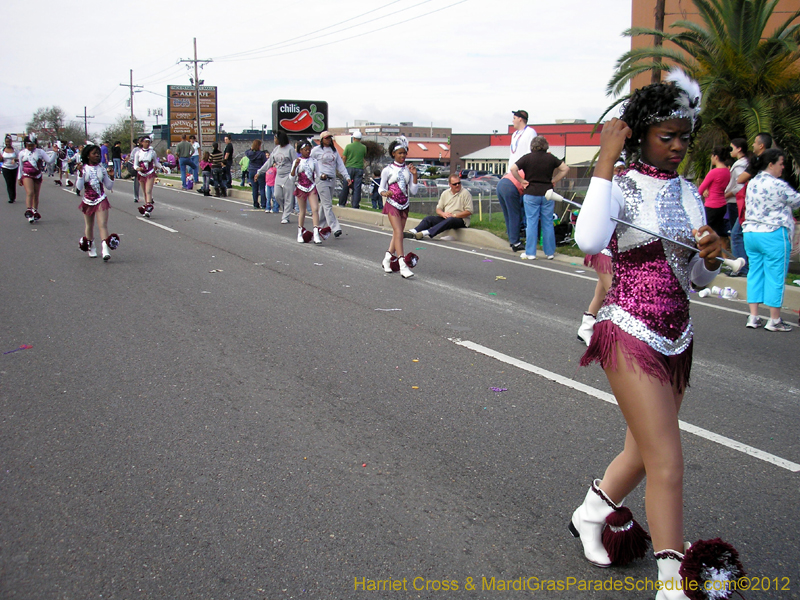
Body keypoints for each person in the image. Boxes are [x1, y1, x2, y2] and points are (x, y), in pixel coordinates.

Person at [572, 70, 730, 599]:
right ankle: (674, 584)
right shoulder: (616, 186)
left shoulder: (687, 192)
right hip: (628, 328)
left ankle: (592, 511)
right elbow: (588, 239)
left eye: (685, 137)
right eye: (668, 137)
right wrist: (603, 161)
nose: (680, 147)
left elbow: (695, 281)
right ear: (640, 136)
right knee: (667, 458)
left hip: (678, 334)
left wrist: (709, 258)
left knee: (643, 451)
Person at [742, 148, 800, 332]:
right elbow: (797, 201)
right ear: (771, 164)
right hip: (773, 232)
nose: (783, 168)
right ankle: (774, 319)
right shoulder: (778, 185)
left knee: (755, 273)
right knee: (775, 276)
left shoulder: (752, 182)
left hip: (751, 232)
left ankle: (753, 316)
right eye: (781, 164)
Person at [510, 136, 569, 260]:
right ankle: (550, 252)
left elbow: (513, 169)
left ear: (532, 146)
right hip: (547, 193)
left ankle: (531, 252)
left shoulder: (527, 158)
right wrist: (554, 180)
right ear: (545, 145)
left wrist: (522, 181)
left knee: (531, 223)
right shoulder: (550, 158)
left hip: (531, 193)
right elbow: (565, 169)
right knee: (547, 223)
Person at [497, 110, 537, 252]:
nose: (512, 121)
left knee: (517, 211)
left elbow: (530, 154)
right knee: (512, 212)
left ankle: (514, 237)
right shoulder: (514, 135)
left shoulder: (530, 133)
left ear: (521, 119)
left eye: (514, 118)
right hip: (512, 175)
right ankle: (514, 239)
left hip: (521, 174)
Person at [379, 137, 419, 279]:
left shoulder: (408, 170)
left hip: (405, 205)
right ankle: (402, 264)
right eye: (400, 153)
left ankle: (387, 258)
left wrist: (414, 176)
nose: (402, 156)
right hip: (392, 204)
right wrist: (385, 193)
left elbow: (413, 191)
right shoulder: (387, 170)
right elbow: (381, 188)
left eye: (404, 153)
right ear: (393, 154)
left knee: (398, 233)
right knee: (398, 232)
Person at [76, 144, 119, 261]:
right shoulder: (84, 169)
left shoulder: (101, 168)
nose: (97, 155)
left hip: (101, 199)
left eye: (98, 153)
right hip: (87, 200)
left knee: (103, 224)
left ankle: (105, 249)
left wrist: (112, 177)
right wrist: (80, 175)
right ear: (88, 155)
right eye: (94, 153)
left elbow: (109, 186)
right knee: (89, 225)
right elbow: (79, 187)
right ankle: (91, 246)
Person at [404, 175, 473, 240]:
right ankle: (413, 231)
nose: (457, 185)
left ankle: (425, 233)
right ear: (450, 184)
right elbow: (438, 209)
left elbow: (469, 211)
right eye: (455, 184)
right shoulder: (445, 193)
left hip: (460, 220)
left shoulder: (465, 193)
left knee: (451, 220)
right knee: (428, 219)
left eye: (459, 183)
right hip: (447, 217)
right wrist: (443, 214)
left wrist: (454, 215)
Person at [310, 131, 349, 237]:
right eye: (326, 138)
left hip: (332, 179)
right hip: (321, 179)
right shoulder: (316, 150)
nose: (328, 140)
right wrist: (315, 174)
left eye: (330, 138)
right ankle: (335, 227)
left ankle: (319, 226)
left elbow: (340, 165)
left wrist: (347, 176)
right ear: (322, 139)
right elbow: (310, 162)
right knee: (327, 205)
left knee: (324, 204)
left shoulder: (334, 150)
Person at [255, 131, 296, 223]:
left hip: (288, 176)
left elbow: (295, 162)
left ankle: (285, 216)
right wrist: (259, 172)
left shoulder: (290, 149)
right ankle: (286, 209)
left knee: (288, 197)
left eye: (275, 138)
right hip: (279, 176)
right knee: (277, 195)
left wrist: (295, 176)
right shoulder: (276, 149)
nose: (274, 140)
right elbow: (269, 162)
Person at [17, 135, 55, 223]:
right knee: (30, 192)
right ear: (25, 144)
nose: (30, 147)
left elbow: (49, 161)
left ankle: (35, 210)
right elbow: (20, 166)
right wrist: (19, 177)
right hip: (27, 174)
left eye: (32, 145)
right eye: (28, 145)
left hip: (37, 175)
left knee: (36, 194)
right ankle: (29, 210)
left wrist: (55, 153)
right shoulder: (22, 153)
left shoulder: (40, 152)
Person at [290, 140, 323, 244]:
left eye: (309, 150)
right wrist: (295, 166)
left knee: (315, 209)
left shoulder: (314, 161)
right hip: (301, 187)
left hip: (312, 186)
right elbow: (291, 177)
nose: (308, 152)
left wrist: (323, 176)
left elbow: (318, 174)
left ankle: (316, 233)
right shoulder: (297, 161)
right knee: (302, 211)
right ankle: (300, 232)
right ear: (301, 150)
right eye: (305, 150)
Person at [725, 138, 749, 276]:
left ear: (739, 148)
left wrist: (727, 194)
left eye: (732, 148)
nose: (731, 151)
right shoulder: (743, 163)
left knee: (736, 235)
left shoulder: (740, 165)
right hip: (737, 202)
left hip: (738, 203)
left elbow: (739, 186)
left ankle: (741, 267)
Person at [697, 145, 732, 239]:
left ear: (716, 157)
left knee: (704, 232)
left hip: (712, 205)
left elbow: (700, 190)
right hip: (722, 205)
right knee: (718, 233)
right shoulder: (727, 172)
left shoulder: (714, 172)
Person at [338, 130, 366, 208]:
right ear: (360, 139)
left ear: (353, 138)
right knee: (357, 188)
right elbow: (363, 157)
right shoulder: (364, 147)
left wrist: (342, 167)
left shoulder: (348, 146)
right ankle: (355, 205)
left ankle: (342, 203)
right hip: (359, 168)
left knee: (346, 186)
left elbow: (344, 157)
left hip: (349, 168)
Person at [133, 136, 160, 217]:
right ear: (142, 143)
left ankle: (148, 207)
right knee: (144, 191)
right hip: (141, 173)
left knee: (148, 191)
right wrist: (138, 168)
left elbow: (156, 163)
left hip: (150, 172)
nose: (147, 144)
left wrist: (162, 167)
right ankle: (146, 207)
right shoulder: (138, 153)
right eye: (145, 142)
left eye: (148, 142)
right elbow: (135, 164)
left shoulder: (152, 152)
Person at [245, 140, 268, 208]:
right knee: (262, 188)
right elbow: (265, 163)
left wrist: (251, 149)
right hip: (259, 171)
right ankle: (263, 204)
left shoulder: (250, 153)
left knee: (254, 189)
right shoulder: (261, 154)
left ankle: (255, 203)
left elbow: (246, 152)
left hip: (251, 171)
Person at [2, 136, 19, 203]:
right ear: (5, 142)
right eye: (6, 142)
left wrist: (15, 159)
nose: (8, 143)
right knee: (9, 183)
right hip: (6, 168)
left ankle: (14, 196)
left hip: (14, 168)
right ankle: (11, 198)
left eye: (9, 142)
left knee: (13, 182)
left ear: (11, 142)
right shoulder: (2, 150)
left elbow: (19, 158)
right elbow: (1, 160)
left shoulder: (15, 150)